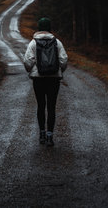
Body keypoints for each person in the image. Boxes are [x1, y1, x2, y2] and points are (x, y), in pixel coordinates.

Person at [23, 17, 68, 146]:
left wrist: (30, 70)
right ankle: (50, 136)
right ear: (49, 28)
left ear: (39, 28)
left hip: (38, 79)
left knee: (41, 106)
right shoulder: (57, 42)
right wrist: (60, 71)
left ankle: (42, 134)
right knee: (52, 107)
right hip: (54, 79)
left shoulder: (33, 43)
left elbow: (27, 61)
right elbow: (64, 60)